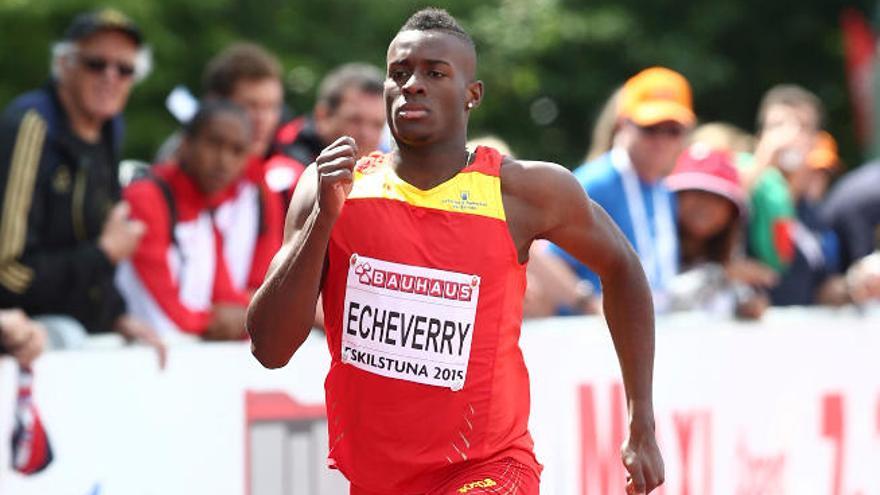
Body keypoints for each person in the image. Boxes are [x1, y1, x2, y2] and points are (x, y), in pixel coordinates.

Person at [247, 8, 663, 495]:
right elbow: (270, 348)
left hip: (488, 470)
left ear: (473, 94)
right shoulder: (334, 188)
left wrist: (642, 421)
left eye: (434, 73)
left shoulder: (524, 191)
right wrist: (323, 220)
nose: (413, 85)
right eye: (399, 74)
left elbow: (623, 267)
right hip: (377, 480)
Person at [0, 9, 164, 362]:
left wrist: (116, 315)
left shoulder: (110, 127)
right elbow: (7, 271)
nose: (111, 77)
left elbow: (97, 234)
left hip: (64, 324)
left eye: (125, 69)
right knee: (70, 337)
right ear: (63, 65)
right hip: (19, 331)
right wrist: (103, 254)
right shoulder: (30, 126)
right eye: (95, 64)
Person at [551, 67, 695, 311]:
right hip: (592, 338)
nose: (661, 141)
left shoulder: (665, 189)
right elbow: (547, 258)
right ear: (622, 124)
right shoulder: (594, 182)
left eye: (673, 130)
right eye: (650, 128)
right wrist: (591, 306)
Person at [116, 101, 254, 340]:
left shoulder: (204, 209)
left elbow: (228, 297)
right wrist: (218, 321)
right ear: (185, 144)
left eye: (237, 150)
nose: (224, 161)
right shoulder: (145, 196)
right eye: (214, 144)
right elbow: (163, 314)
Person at [200, 43, 285, 297]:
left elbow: (265, 282)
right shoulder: (182, 173)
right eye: (251, 105)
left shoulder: (261, 187)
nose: (262, 119)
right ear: (216, 104)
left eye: (271, 107)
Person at [665, 144, 775, 319]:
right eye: (696, 192)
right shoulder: (652, 245)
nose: (705, 204)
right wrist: (722, 274)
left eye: (718, 198)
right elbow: (660, 300)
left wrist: (748, 305)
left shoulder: (727, 253)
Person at [269, 62, 386, 200]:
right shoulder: (284, 174)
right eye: (355, 120)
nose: (366, 134)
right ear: (322, 116)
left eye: (377, 125)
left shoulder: (386, 180)